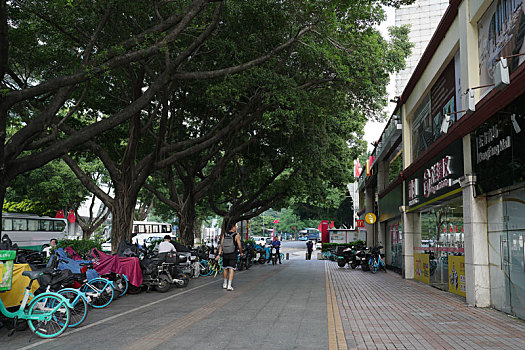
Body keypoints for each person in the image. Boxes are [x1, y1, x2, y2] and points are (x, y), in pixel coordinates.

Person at [216, 222, 243, 291]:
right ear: (233, 227)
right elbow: (239, 246)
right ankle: (229, 285)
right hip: (233, 254)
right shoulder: (236, 235)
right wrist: (241, 252)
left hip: (225, 254)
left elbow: (221, 245)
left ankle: (224, 283)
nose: (236, 228)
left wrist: (219, 254)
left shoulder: (224, 235)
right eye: (235, 227)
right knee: (231, 269)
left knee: (225, 268)